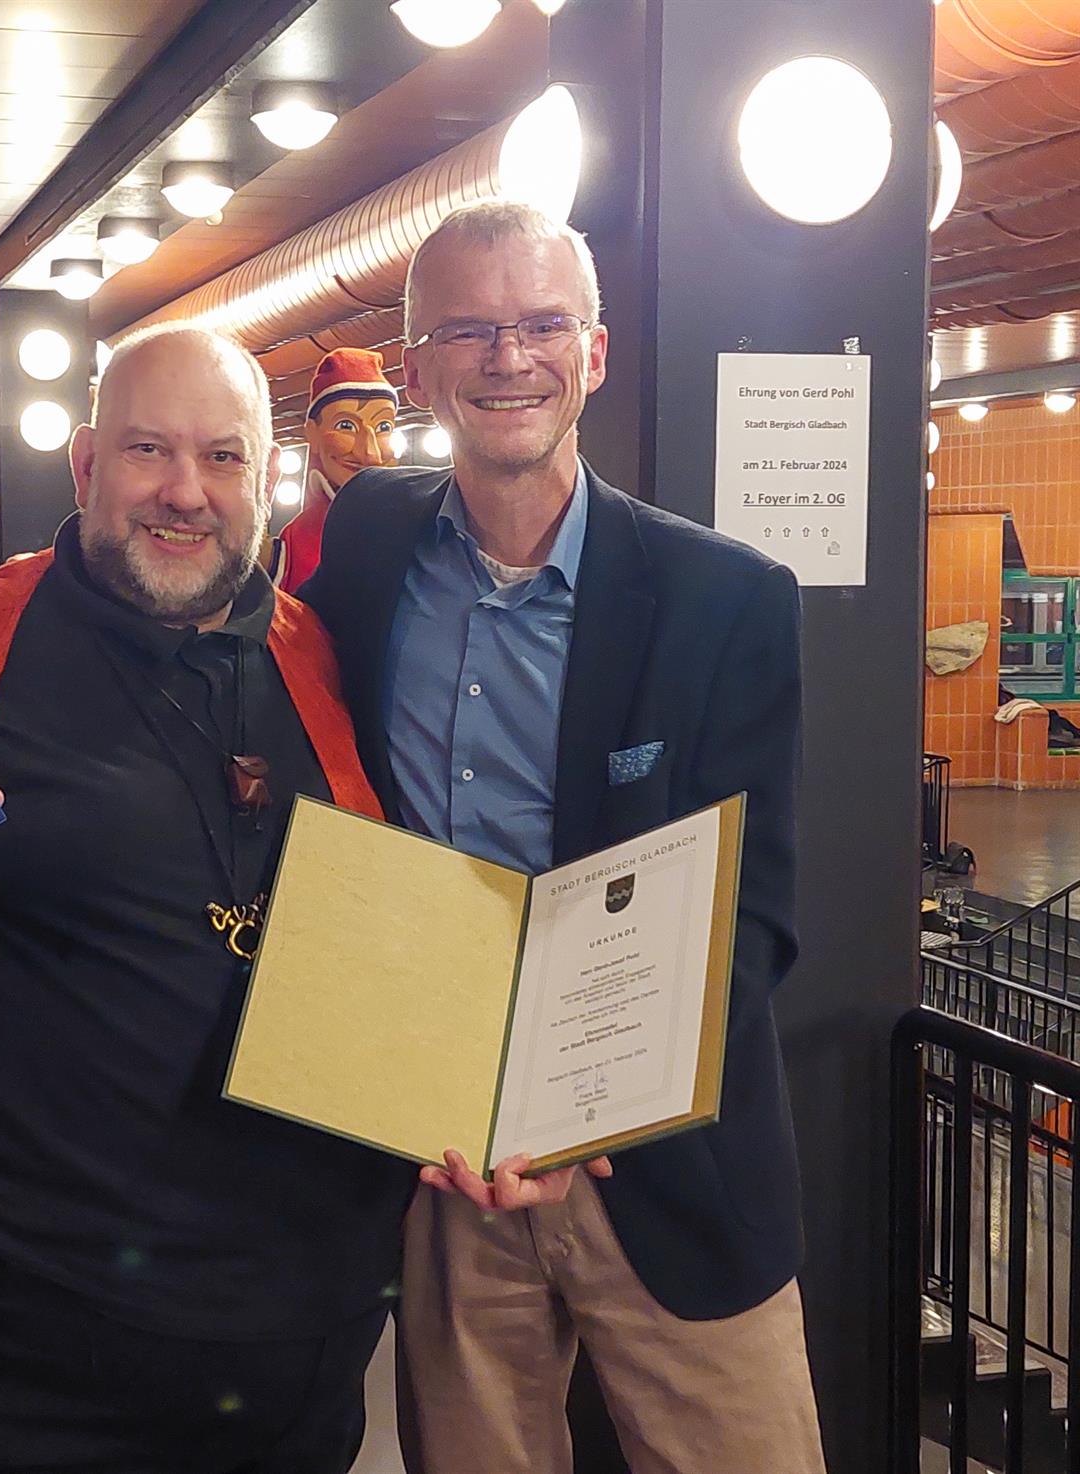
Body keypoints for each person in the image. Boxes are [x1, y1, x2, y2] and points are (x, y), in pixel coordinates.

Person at [0, 325, 412, 1473]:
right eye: (150, 451)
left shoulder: (321, 658)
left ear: (267, 477)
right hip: (25, 1346)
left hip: (298, 1328)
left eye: (224, 457)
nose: (185, 493)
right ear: (87, 465)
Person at [298, 199, 820, 1474]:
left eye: (540, 324)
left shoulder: (723, 600)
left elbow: (754, 912)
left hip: (669, 1161)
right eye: (467, 329)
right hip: (448, 1157)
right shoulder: (364, 548)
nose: (506, 356)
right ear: (416, 369)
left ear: (591, 353)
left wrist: (603, 1107)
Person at [273, 347, 399, 595]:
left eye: (384, 426)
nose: (370, 453)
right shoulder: (293, 544)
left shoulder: (419, 527)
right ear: (312, 433)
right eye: (346, 425)